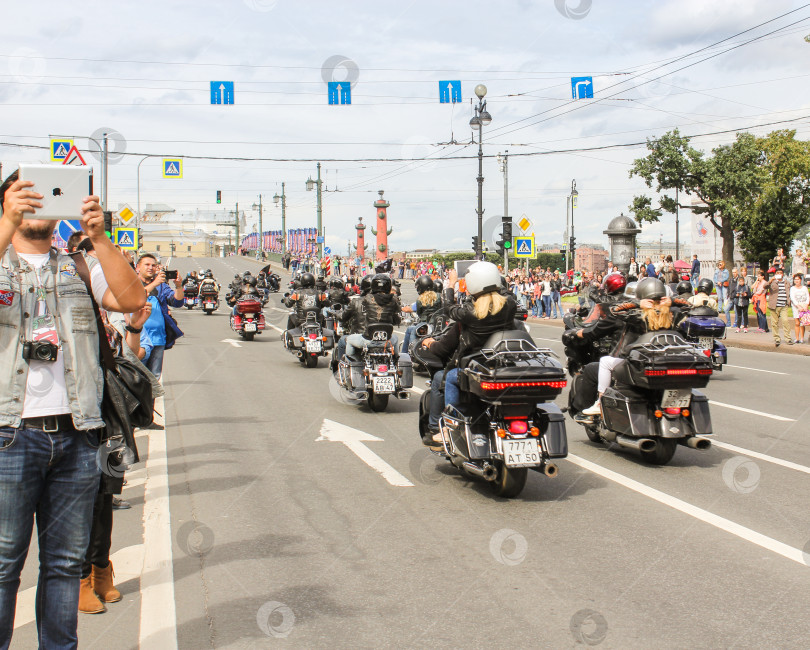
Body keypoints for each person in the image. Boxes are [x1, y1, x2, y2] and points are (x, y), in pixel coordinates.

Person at [0, 171, 146, 649]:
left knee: (65, 565)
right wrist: (7, 220)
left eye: (46, 192)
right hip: (9, 435)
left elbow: (131, 299)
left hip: (78, 434)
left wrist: (100, 237)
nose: (38, 202)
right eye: (26, 193)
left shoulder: (80, 265)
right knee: (3, 564)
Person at [433, 262, 517, 443]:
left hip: (477, 366)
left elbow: (448, 309)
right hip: (502, 364)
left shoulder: (470, 311)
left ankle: (450, 427)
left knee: (451, 378)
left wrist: (451, 284)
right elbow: (506, 292)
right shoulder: (509, 305)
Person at [579, 278, 684, 416]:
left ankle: (600, 403)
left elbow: (614, 310)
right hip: (665, 361)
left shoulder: (637, 315)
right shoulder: (673, 314)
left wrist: (637, 303)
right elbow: (690, 306)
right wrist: (673, 301)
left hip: (641, 362)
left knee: (605, 362)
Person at [135, 254, 184, 378]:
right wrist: (155, 283)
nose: (150, 268)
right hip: (138, 339)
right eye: (147, 265)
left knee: (154, 378)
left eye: (153, 265)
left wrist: (178, 286)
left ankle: (150, 398)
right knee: (137, 377)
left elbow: (177, 302)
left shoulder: (161, 286)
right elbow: (135, 298)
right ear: (137, 267)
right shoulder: (132, 283)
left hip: (158, 339)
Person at [343, 274, 402, 360]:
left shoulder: (367, 298)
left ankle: (353, 363)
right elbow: (397, 318)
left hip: (368, 339)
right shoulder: (394, 300)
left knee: (349, 339)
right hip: (386, 341)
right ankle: (395, 359)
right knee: (396, 338)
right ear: (389, 286)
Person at [401, 275, 442, 354]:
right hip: (437, 324)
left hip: (424, 325)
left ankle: (408, 354)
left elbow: (419, 313)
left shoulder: (420, 299)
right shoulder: (439, 296)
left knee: (411, 330)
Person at [767, 267, 793, 346]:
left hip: (783, 305)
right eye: (777, 273)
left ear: (783, 274)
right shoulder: (773, 282)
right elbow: (765, 287)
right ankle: (777, 338)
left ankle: (788, 338)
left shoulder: (787, 282)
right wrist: (770, 281)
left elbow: (789, 291)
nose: (779, 274)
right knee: (774, 323)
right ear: (775, 274)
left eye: (780, 273)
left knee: (785, 321)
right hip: (774, 306)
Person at [789, 273, 809, 344]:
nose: (796, 281)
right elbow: (793, 298)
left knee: (802, 323)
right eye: (795, 279)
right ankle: (797, 338)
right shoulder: (792, 288)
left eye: (798, 279)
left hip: (804, 307)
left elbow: (807, 297)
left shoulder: (804, 288)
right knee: (797, 323)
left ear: (800, 280)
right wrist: (798, 306)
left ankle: (802, 338)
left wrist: (806, 305)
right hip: (796, 308)